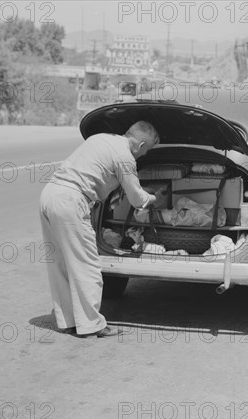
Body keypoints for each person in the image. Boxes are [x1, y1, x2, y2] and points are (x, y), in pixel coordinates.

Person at [39, 121, 161, 337]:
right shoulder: (125, 157)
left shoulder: (101, 138)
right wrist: (154, 198)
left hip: (49, 195)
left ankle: (68, 320)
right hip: (71, 201)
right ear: (141, 144)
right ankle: (92, 325)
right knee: (87, 265)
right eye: (148, 150)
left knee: (61, 263)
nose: (144, 155)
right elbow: (137, 199)